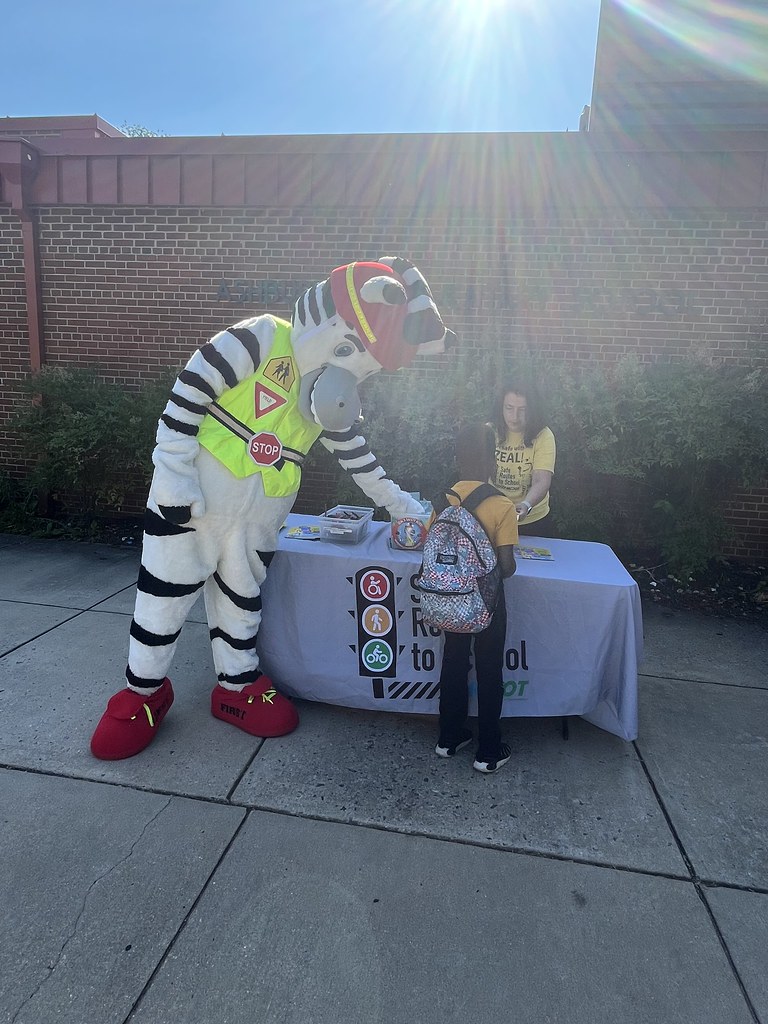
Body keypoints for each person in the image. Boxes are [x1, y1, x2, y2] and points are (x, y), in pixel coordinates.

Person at [435, 422, 518, 774]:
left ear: (457, 459)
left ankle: (449, 737)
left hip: (451, 599)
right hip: (487, 603)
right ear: (493, 462)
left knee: (454, 661)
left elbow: (436, 550)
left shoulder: (443, 499)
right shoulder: (502, 505)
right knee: (488, 669)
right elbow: (507, 567)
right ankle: (488, 751)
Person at [493, 382, 556, 537]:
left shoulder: (544, 435)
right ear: (501, 407)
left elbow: (541, 480)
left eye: (522, 410)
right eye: (509, 408)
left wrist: (526, 504)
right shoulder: (489, 431)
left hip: (533, 520)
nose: (514, 417)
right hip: (494, 517)